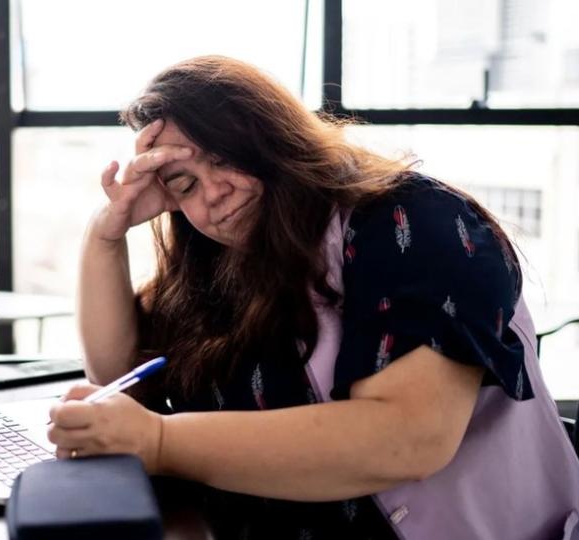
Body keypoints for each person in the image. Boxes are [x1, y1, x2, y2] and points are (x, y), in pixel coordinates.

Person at [48, 56, 579, 538]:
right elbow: (117, 371)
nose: (212, 193)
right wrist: (106, 233)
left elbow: (408, 438)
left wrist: (160, 442)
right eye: (184, 184)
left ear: (274, 137)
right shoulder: (220, 262)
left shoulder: (412, 221)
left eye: (225, 158)